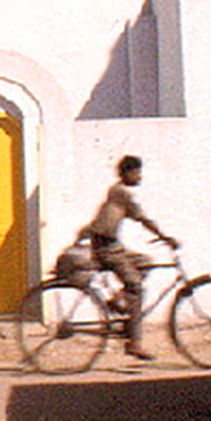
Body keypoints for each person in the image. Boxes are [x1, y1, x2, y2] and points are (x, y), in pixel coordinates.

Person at [84, 154, 177, 360]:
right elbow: (142, 218)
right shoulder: (121, 193)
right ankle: (134, 342)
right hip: (107, 248)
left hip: (112, 246)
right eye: (136, 172)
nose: (139, 176)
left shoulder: (117, 192)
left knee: (145, 263)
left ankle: (118, 300)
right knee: (135, 287)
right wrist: (165, 237)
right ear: (127, 173)